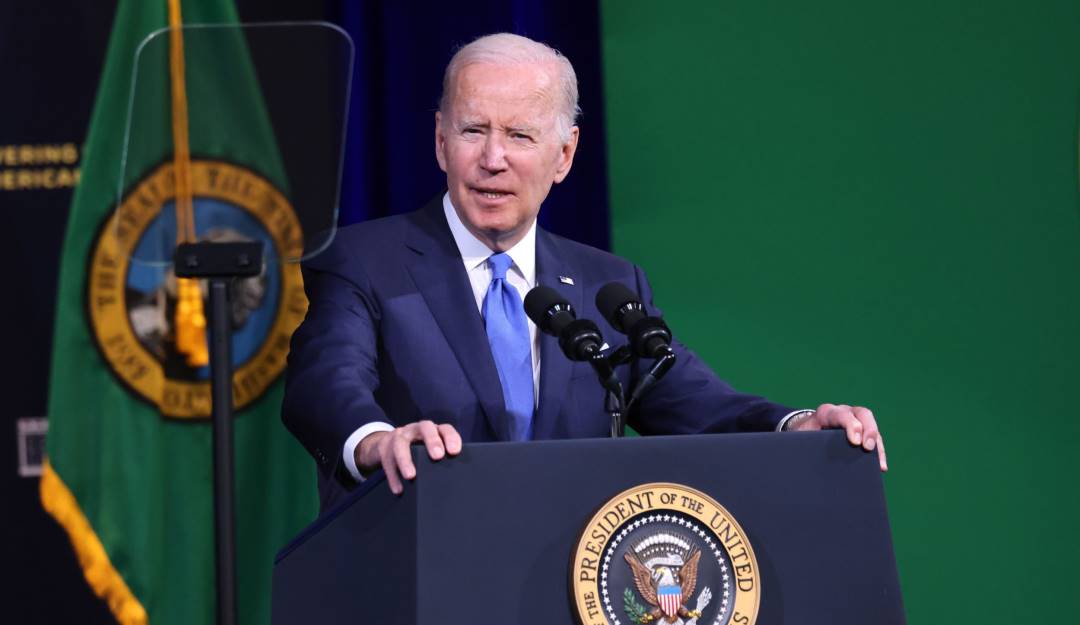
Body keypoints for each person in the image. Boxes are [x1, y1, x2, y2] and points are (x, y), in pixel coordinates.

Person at [282, 33, 886, 511]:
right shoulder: (363, 260)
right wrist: (376, 440)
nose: (493, 158)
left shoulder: (606, 286)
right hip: (413, 571)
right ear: (441, 142)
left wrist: (796, 425)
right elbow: (324, 381)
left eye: (519, 135)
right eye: (473, 131)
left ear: (564, 155)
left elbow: (697, 403)